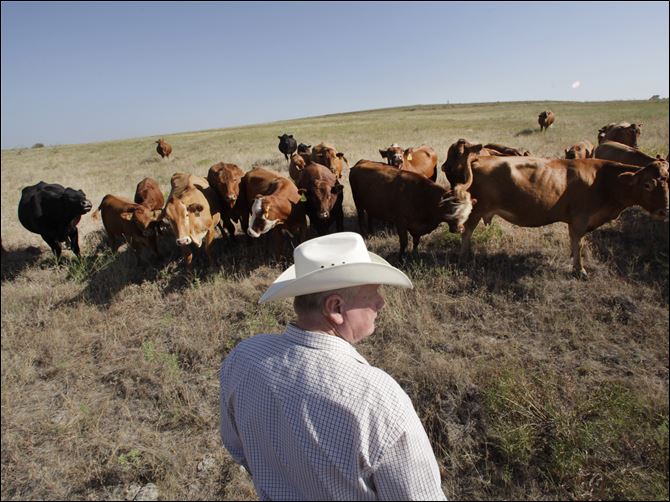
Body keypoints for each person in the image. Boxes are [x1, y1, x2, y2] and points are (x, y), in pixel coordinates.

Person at [219, 232, 448, 500]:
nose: (381, 302)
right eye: (373, 292)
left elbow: (237, 448)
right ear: (336, 308)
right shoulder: (377, 396)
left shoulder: (243, 358)